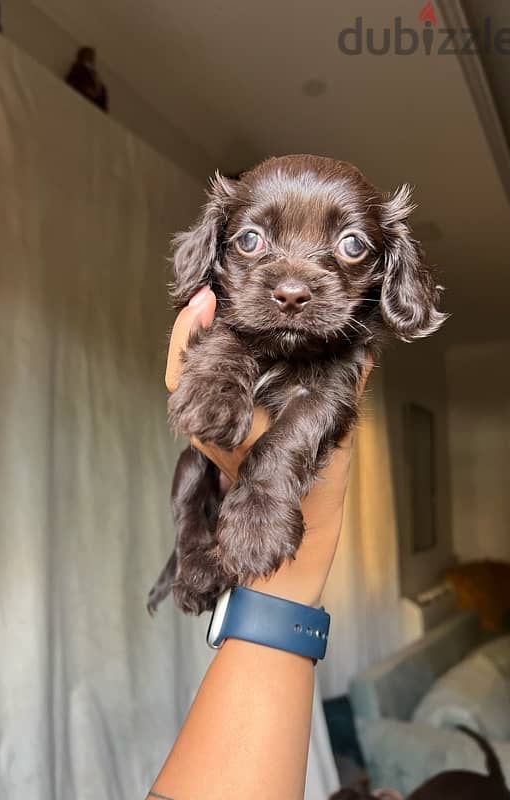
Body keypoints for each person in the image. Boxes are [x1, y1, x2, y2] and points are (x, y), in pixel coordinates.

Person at [148, 285, 372, 800]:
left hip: (269, 507)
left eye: (349, 246)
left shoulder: (339, 353)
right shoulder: (238, 322)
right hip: (227, 504)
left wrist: (272, 493)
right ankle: (194, 551)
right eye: (252, 240)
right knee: (190, 470)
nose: (293, 284)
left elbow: (324, 399)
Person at [65, 47, 108, 112]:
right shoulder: (77, 68)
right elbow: (71, 83)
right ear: (82, 57)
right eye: (89, 56)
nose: (91, 60)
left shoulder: (95, 77)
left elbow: (101, 96)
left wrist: (98, 89)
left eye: (92, 58)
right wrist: (86, 90)